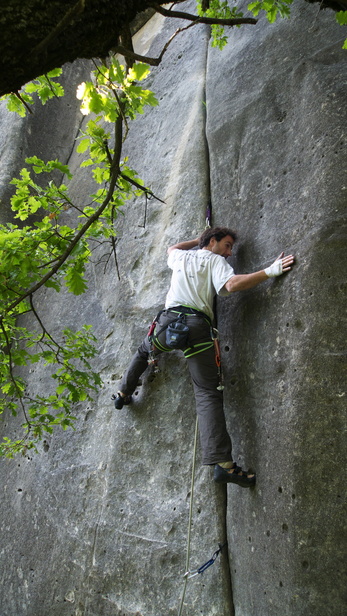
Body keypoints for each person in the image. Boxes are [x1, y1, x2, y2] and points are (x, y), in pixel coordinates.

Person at [113, 227, 294, 487]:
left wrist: (197, 241)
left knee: (144, 351)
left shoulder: (181, 258)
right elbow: (230, 285)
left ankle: (122, 393)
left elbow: (172, 248)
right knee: (207, 393)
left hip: (168, 324)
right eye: (228, 245)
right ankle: (223, 465)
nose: (230, 252)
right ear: (213, 241)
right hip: (198, 329)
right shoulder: (215, 261)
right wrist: (270, 271)